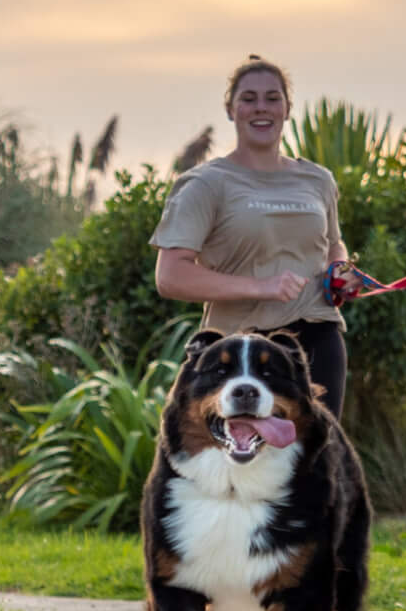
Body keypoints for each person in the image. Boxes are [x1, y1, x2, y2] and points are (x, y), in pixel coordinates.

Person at [149, 55, 353, 416]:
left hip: (319, 338)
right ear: (231, 109)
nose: (262, 108)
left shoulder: (318, 180)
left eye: (273, 98)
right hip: (239, 348)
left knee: (319, 463)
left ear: (288, 108)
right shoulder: (205, 184)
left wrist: (340, 270)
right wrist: (261, 286)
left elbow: (333, 243)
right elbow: (170, 275)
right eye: (249, 98)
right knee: (244, 464)